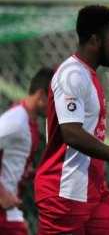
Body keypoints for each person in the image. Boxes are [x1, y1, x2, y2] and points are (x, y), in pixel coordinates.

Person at [34, 5, 109, 235]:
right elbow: (71, 133)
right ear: (94, 41)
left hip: (94, 189)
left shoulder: (88, 74)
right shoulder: (70, 75)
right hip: (65, 191)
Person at [0, 67, 54, 235]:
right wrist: (1, 194)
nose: (56, 108)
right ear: (41, 95)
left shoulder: (29, 122)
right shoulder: (16, 121)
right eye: (54, 101)